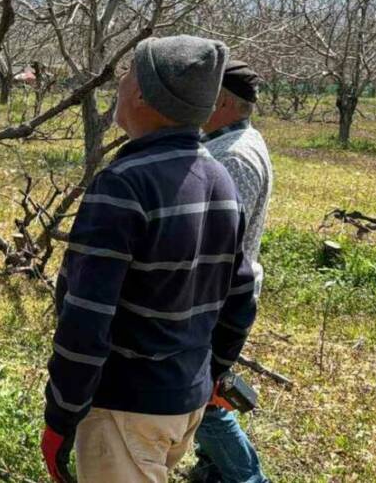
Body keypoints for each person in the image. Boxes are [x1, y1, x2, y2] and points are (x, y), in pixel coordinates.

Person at [40, 36, 258, 483]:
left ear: (142, 94)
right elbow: (240, 296)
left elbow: (87, 318)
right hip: (184, 402)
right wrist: (210, 374)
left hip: (126, 409)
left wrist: (61, 414)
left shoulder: (124, 184)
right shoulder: (219, 178)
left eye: (128, 72)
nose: (119, 81)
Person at [191, 61, 274, 483]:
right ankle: (213, 470)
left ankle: (248, 479)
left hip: (221, 297)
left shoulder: (234, 157)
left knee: (203, 399)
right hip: (225, 293)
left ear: (222, 101)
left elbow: (221, 244)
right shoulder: (234, 142)